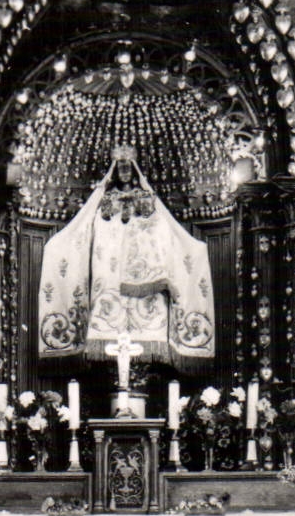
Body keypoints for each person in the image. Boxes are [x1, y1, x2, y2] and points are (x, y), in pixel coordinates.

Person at [37, 145, 214, 365]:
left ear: (134, 169)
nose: (124, 171)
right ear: (114, 170)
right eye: (120, 167)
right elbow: (93, 228)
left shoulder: (146, 199)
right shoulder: (106, 199)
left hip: (142, 282)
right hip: (108, 272)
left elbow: (161, 229)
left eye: (128, 167)